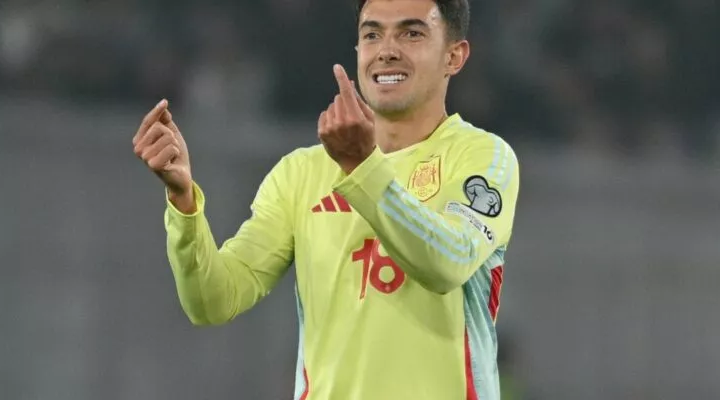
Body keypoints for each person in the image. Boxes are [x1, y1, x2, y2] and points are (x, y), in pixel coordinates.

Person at [131, 0, 520, 398]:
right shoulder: (301, 173)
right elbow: (212, 301)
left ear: (454, 56)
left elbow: (447, 262)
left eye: (412, 33)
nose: (387, 50)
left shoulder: (482, 158)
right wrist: (183, 203)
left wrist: (362, 168)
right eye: (372, 34)